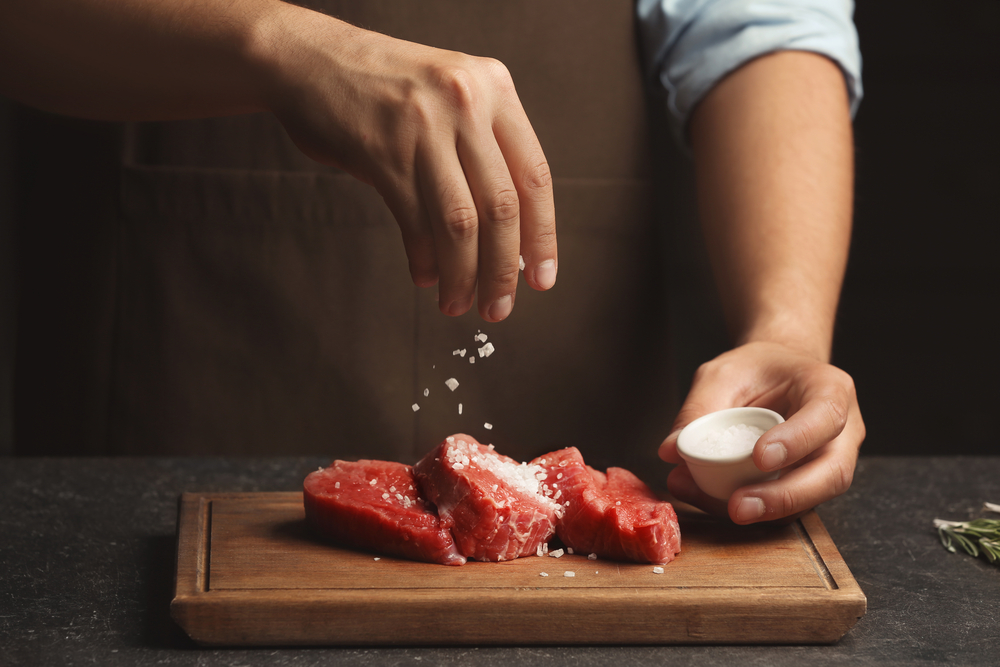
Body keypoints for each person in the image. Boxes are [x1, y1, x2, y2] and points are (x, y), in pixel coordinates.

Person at [1, 0, 865, 525]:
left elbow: (763, 26)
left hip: (579, 365)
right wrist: (272, 42)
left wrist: (786, 328)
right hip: (170, 373)